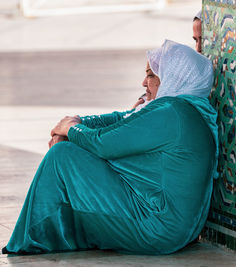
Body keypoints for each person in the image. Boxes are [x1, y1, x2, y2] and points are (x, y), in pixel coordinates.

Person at [2, 40, 218, 255]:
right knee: (73, 149)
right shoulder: (187, 109)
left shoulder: (171, 112)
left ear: (173, 77)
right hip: (177, 231)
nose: (144, 82)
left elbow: (103, 143)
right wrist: (75, 122)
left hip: (158, 229)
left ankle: (35, 238)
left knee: (62, 156)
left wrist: (71, 130)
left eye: (152, 75)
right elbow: (122, 119)